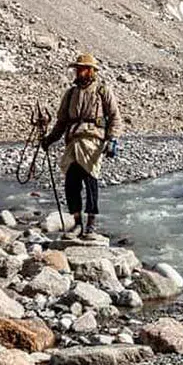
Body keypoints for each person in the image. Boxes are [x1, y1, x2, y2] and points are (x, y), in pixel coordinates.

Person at [42, 53, 123, 239]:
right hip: (73, 143)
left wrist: (112, 140)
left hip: (93, 143)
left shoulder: (103, 91)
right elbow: (61, 122)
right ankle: (77, 223)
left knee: (90, 182)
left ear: (91, 71)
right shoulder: (70, 93)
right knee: (71, 184)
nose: (78, 72)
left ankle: (91, 224)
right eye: (77, 69)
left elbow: (115, 117)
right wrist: (50, 139)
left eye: (82, 69)